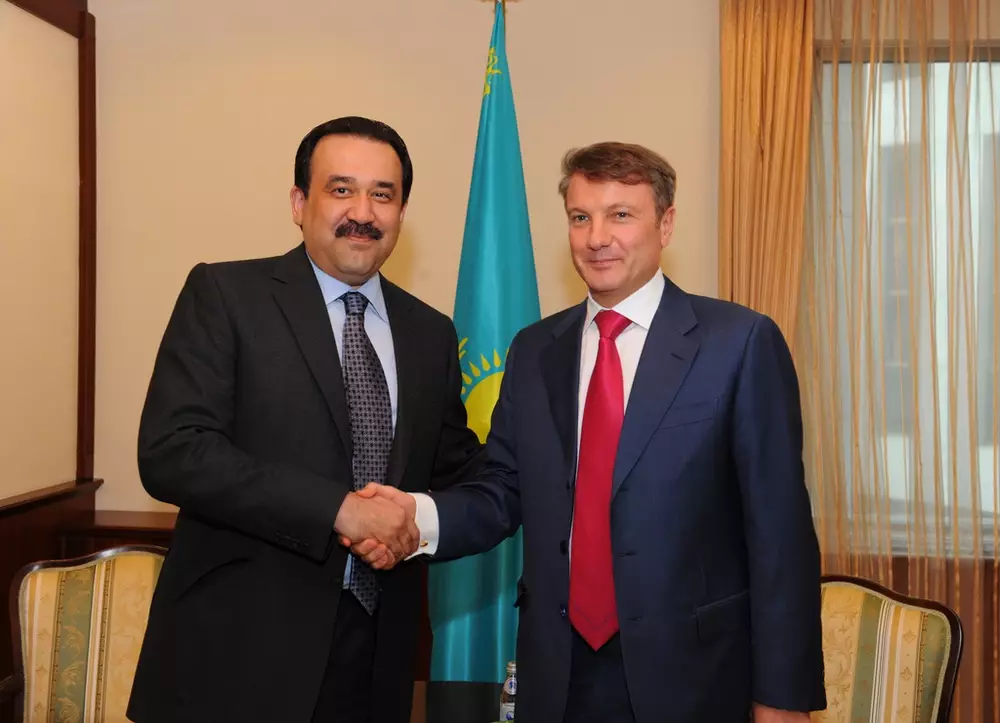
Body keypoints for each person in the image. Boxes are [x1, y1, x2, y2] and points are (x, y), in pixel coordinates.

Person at [349, 142, 827, 722]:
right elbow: (501, 489)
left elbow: (780, 535)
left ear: (666, 224)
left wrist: (782, 697)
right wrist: (415, 517)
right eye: (581, 217)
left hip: (694, 677)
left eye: (620, 215)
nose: (597, 237)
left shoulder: (739, 342)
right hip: (558, 674)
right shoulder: (534, 351)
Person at [127, 116, 483, 723]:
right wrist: (338, 509)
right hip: (237, 661)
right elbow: (174, 450)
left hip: (376, 663)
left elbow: (456, 472)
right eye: (341, 189)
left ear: (402, 212)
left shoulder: (431, 333)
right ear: (299, 203)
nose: (362, 212)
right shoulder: (226, 295)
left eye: (383, 194)